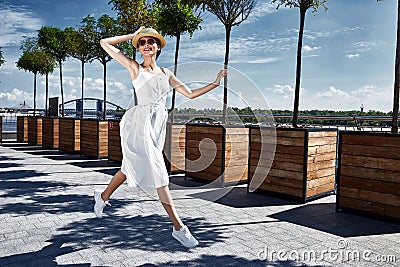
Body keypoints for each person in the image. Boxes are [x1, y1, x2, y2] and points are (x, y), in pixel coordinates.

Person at [94, 27, 228, 249]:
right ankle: (179, 228)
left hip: (157, 125)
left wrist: (215, 83)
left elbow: (190, 94)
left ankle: (103, 196)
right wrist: (133, 35)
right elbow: (104, 42)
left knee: (128, 167)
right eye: (142, 42)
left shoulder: (166, 74)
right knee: (159, 173)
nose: (146, 44)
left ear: (157, 47)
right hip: (138, 123)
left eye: (150, 41)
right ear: (138, 48)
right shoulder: (135, 68)